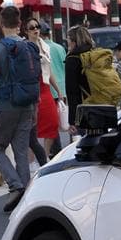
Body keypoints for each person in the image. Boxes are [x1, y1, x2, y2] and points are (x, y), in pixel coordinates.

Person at [0, 6, 40, 212]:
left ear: (0, 24)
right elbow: (34, 78)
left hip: (6, 104)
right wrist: (34, 107)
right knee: (21, 148)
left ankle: (15, 185)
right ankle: (26, 194)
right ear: (19, 25)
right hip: (27, 104)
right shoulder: (30, 46)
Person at [64, 26, 121, 133]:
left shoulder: (73, 59)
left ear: (74, 41)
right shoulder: (94, 54)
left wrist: (73, 120)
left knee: (86, 144)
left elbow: (72, 91)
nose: (67, 42)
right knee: (102, 142)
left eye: (68, 39)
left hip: (86, 108)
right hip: (104, 104)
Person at [23, 18, 65, 167]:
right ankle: (31, 160)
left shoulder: (45, 46)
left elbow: (49, 70)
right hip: (32, 87)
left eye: (37, 26)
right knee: (31, 127)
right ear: (26, 31)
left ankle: (44, 157)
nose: (36, 29)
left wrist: (58, 90)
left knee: (52, 123)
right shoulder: (24, 46)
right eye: (32, 27)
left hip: (45, 87)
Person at [41, 22, 68, 156]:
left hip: (48, 90)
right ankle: (68, 147)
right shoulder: (59, 48)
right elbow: (65, 67)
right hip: (61, 88)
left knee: (53, 123)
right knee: (63, 120)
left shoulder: (40, 48)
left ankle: (55, 150)